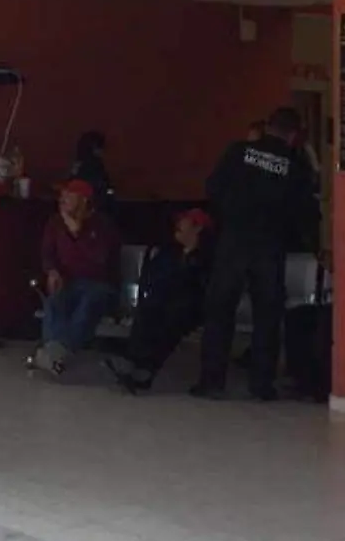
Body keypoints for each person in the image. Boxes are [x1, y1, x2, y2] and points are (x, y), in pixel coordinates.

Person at [196, 106, 316, 401]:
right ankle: (261, 385)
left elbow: (213, 188)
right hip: (269, 246)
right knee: (267, 316)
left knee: (220, 311)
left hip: (233, 241)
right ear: (293, 134)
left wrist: (229, 219)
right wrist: (311, 243)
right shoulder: (295, 164)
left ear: (267, 127)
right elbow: (304, 211)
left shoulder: (238, 152)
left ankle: (211, 381)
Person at [106, 209, 211, 394]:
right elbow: (151, 275)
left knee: (173, 318)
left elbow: (201, 288)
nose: (178, 225)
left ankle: (145, 368)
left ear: (197, 228)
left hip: (190, 306)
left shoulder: (207, 258)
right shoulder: (169, 252)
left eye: (184, 222)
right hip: (162, 299)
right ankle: (134, 363)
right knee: (149, 310)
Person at [31, 180, 122, 376]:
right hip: (68, 282)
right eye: (62, 194)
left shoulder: (103, 225)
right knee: (54, 301)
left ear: (83, 200)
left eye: (68, 195)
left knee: (89, 301)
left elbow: (99, 259)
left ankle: (56, 353)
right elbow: (47, 253)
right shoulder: (55, 222)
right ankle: (54, 353)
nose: (62, 199)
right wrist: (52, 271)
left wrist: (77, 231)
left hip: (99, 284)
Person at [68, 131, 115, 202]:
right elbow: (104, 190)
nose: (102, 151)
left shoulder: (78, 165)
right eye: (100, 147)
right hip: (92, 203)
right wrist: (111, 192)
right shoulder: (95, 167)